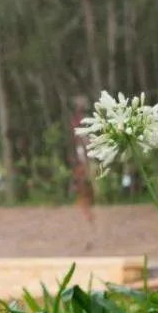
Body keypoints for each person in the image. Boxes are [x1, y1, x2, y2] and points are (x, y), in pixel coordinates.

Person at [71, 96, 96, 224]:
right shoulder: (77, 118)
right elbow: (79, 134)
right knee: (83, 171)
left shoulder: (81, 118)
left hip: (84, 147)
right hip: (81, 148)